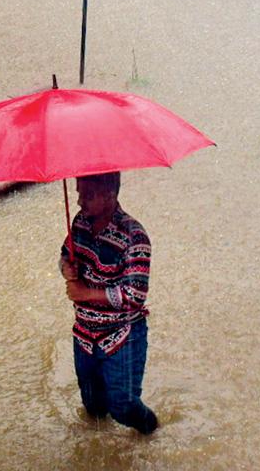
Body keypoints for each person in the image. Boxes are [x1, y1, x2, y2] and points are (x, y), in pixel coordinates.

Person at [58, 172, 158, 435]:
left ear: (111, 194)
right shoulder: (79, 222)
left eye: (88, 195)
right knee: (93, 406)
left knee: (123, 406)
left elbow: (134, 296)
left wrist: (85, 293)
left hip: (122, 336)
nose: (80, 202)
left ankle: (151, 429)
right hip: (84, 335)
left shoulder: (135, 237)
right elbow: (65, 255)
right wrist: (66, 268)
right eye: (79, 193)